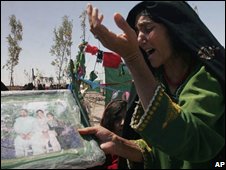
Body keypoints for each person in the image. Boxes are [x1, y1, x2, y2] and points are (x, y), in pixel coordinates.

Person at [78, 1, 225, 169]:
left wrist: (133, 58)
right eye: (137, 31)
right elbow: (164, 152)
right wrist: (119, 143)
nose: (139, 39)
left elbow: (193, 142)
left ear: (174, 30)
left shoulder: (206, 78)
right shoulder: (157, 81)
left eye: (147, 29)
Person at [99, 99, 127, 169]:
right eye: (118, 118)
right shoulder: (99, 143)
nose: (122, 123)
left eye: (127, 119)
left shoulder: (134, 146)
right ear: (110, 119)